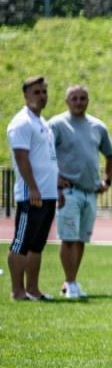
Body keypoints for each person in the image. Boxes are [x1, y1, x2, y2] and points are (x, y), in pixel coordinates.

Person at [48, 84, 112, 300]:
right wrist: (55, 179)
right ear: (67, 101)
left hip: (90, 192)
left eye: (83, 98)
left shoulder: (98, 126)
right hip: (69, 191)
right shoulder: (57, 125)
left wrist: (107, 180)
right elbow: (44, 154)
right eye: (74, 98)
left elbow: (111, 154)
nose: (79, 102)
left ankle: (72, 281)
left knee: (80, 239)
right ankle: (70, 283)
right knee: (68, 239)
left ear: (88, 100)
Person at [7, 76, 61, 301]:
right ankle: (17, 291)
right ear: (26, 95)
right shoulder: (22, 123)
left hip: (47, 193)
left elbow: (47, 159)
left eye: (44, 92)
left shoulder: (42, 122)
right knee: (21, 242)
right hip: (32, 195)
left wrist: (56, 186)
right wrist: (33, 188)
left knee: (37, 245)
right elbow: (22, 158)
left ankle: (33, 289)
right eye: (36, 92)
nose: (41, 96)